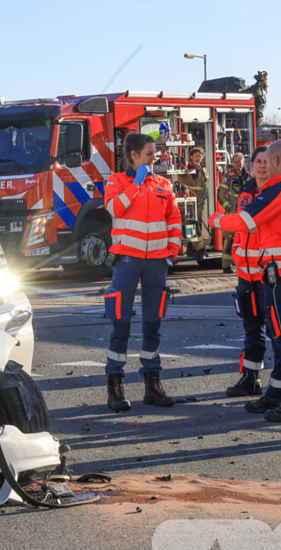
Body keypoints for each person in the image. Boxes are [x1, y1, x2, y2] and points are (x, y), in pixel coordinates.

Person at [210, 140, 281, 422]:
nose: (264, 167)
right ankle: (278, 392)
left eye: (268, 162)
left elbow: (245, 222)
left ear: (277, 162)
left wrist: (218, 221)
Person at [102, 133, 182, 412]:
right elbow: (114, 208)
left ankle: (152, 384)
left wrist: (172, 251)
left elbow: (173, 217)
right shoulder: (116, 181)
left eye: (154, 153)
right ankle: (115, 385)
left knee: (153, 323)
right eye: (149, 154)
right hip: (126, 261)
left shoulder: (163, 184)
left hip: (157, 263)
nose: (154, 157)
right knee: (120, 322)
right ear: (134, 156)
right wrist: (135, 183)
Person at [223, 145, 270, 397]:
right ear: (251, 165)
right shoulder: (246, 192)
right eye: (258, 161)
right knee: (251, 327)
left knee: (276, 328)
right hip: (246, 272)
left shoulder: (276, 191)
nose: (262, 166)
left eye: (266, 161)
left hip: (268, 273)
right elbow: (242, 230)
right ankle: (251, 378)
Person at [218, 153, 251, 274]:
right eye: (236, 161)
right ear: (233, 163)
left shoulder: (249, 177)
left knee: (245, 239)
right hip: (232, 212)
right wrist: (228, 207)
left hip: (246, 213)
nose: (238, 163)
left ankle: (242, 263)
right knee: (229, 238)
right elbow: (221, 193)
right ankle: (226, 265)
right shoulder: (229, 176)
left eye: (240, 161)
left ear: (244, 162)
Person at [177, 147, 209, 253]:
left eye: (200, 156)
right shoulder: (185, 167)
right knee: (189, 223)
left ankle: (193, 249)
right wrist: (189, 167)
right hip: (187, 202)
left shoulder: (203, 169)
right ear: (191, 157)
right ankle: (198, 249)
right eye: (196, 156)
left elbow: (204, 185)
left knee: (197, 224)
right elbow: (181, 175)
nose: (198, 158)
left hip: (199, 203)